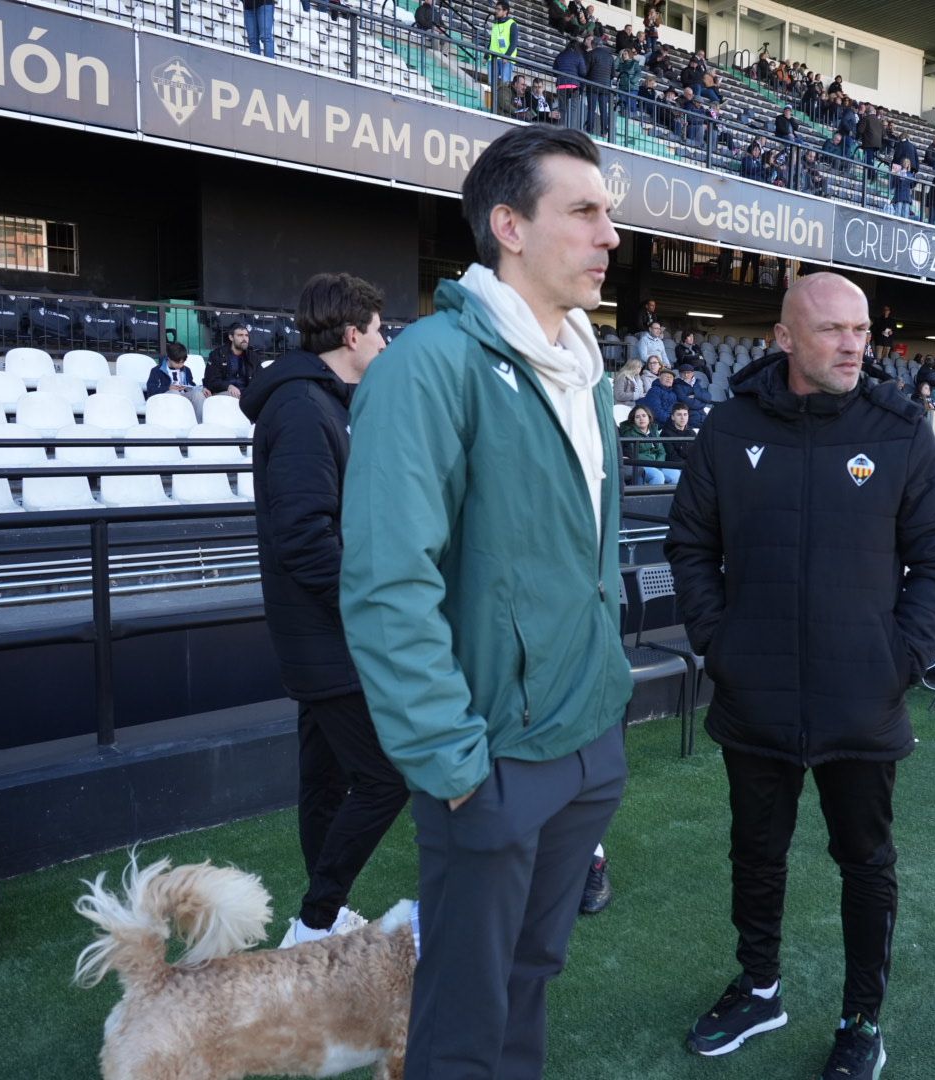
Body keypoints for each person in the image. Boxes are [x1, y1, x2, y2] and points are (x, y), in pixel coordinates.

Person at [340, 125, 631, 1080]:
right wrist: (449, 761)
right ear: (508, 225)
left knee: (531, 972)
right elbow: (389, 581)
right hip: (491, 758)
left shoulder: (583, 369)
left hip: (585, 741)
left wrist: (605, 707)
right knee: (466, 1009)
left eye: (608, 212)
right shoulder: (430, 365)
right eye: (583, 212)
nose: (609, 235)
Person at [666, 271, 935, 1080]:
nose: (853, 346)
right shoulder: (729, 429)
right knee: (755, 853)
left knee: (865, 863)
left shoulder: (901, 431)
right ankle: (760, 988)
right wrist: (719, 643)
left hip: (860, 700)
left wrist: (896, 659)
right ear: (786, 338)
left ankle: (862, 1019)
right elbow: (690, 546)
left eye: (862, 331)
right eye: (834, 330)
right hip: (753, 691)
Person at [239, 273, 408, 948]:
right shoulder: (305, 410)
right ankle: (315, 920)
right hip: (329, 637)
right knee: (385, 779)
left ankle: (325, 917)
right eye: (379, 329)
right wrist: (374, 613)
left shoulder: (321, 402)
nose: (385, 340)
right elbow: (307, 540)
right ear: (351, 335)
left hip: (324, 634)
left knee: (326, 780)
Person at [144, 341, 207, 413]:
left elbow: (191, 385)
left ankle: (199, 422)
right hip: (165, 398)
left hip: (184, 396)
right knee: (174, 393)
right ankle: (178, 420)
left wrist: (188, 387)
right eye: (177, 363)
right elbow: (151, 390)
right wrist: (168, 388)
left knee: (198, 395)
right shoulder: (157, 371)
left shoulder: (186, 370)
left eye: (182, 362)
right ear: (169, 358)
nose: (180, 365)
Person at [619, 402, 669, 484]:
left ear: (649, 417)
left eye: (644, 416)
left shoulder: (654, 430)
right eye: (637, 417)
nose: (641, 419)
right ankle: (652, 497)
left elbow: (662, 451)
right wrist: (652, 462)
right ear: (633, 420)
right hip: (641, 465)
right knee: (658, 476)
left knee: (676, 475)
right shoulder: (629, 433)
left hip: (657, 464)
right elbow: (632, 454)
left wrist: (658, 463)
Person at [206, 322, 258, 398]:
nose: (244, 339)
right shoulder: (218, 355)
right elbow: (211, 381)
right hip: (224, 393)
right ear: (231, 337)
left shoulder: (253, 357)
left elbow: (260, 378)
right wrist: (228, 386)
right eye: (240, 335)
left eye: (246, 335)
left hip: (246, 394)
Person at [487, 1, 518, 90]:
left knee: (504, 85)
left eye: (498, 9)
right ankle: (492, 104)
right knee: (491, 84)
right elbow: (491, 41)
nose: (496, 11)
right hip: (493, 57)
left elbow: (514, 43)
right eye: (496, 9)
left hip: (506, 59)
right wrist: (486, 56)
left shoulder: (512, 24)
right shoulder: (495, 24)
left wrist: (506, 56)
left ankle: (501, 103)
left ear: (505, 11)